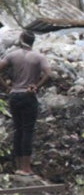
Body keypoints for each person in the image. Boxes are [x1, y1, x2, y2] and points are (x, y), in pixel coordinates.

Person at [0, 32, 51, 176]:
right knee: (28, 131)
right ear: (33, 42)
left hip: (15, 96)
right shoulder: (39, 57)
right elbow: (48, 73)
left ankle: (18, 167)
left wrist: (7, 88)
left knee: (18, 130)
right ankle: (26, 168)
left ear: (21, 40)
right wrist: (36, 86)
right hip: (29, 96)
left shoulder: (12, 55)